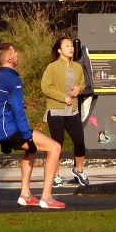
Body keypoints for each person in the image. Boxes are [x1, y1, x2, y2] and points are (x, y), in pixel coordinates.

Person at [0, 42, 65, 208]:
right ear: (10, 58)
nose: (18, 54)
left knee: (30, 149)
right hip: (9, 130)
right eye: (15, 52)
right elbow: (18, 112)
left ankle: (25, 194)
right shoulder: (13, 80)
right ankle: (47, 197)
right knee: (54, 147)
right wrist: (28, 136)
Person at [41, 36, 89, 187]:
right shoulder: (53, 67)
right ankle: (55, 175)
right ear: (60, 50)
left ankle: (79, 170)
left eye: (71, 46)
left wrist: (79, 88)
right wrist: (63, 97)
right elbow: (46, 87)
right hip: (56, 111)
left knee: (79, 142)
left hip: (72, 111)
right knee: (57, 145)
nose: (71, 48)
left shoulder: (77, 67)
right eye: (67, 46)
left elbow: (82, 82)